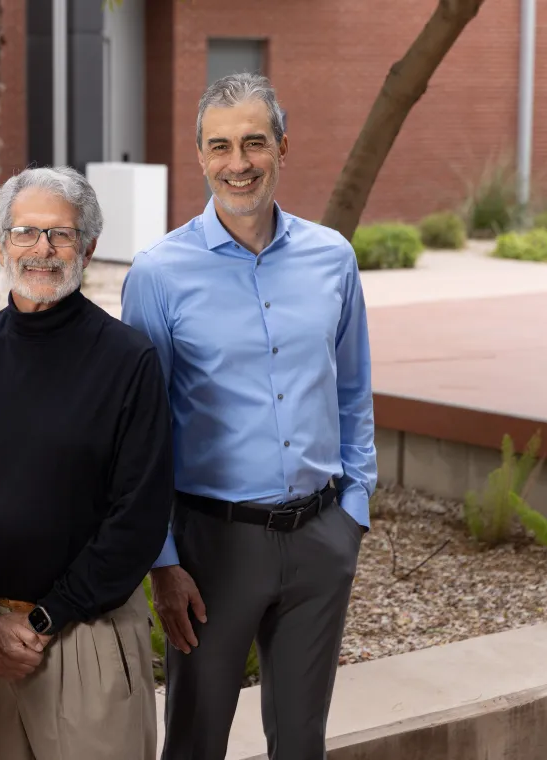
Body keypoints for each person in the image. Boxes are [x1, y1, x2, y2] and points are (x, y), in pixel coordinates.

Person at [121, 72, 377, 760]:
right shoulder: (157, 275)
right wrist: (164, 561)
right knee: (196, 740)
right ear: (201, 156)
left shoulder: (333, 258)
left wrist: (354, 507)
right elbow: (142, 435)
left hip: (323, 536)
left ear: (282, 147)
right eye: (221, 146)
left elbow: (352, 391)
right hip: (212, 548)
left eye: (255, 143)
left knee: (300, 741)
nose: (239, 164)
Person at [0, 166, 174, 760]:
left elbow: (138, 517)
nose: (43, 250)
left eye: (61, 235)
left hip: (89, 635)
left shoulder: (128, 360)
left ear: (89, 247)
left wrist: (45, 619)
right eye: (27, 233)